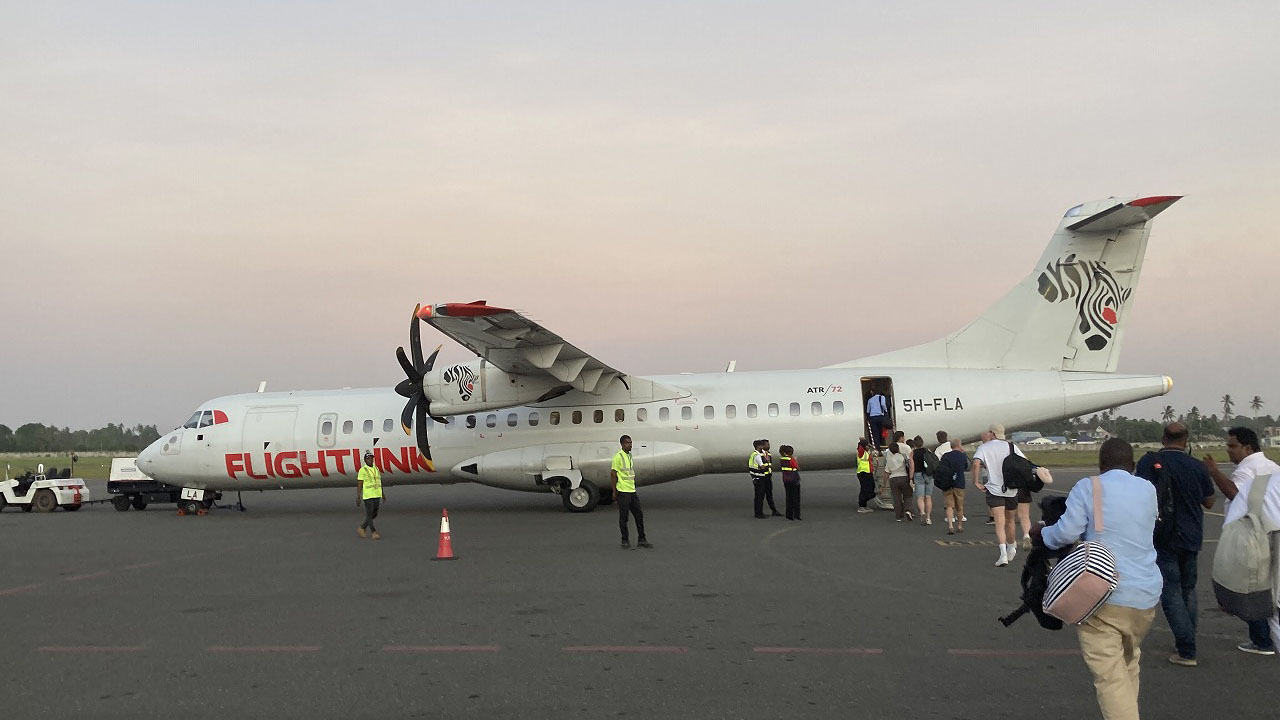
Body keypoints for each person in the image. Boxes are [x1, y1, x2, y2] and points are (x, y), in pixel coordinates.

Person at [1033, 438, 1161, 720]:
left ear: (1101, 464)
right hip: (1145, 593)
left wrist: (1041, 533)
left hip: (1102, 591)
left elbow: (1067, 533)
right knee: (1128, 663)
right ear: (1133, 465)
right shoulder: (1147, 489)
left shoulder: (1089, 487)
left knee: (1110, 678)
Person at [1134, 422, 1216, 667]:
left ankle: (1187, 648)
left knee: (1170, 590)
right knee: (1188, 589)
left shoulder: (1149, 462)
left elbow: (1140, 496)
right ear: (1185, 440)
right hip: (1192, 534)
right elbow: (1209, 501)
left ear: (1163, 439)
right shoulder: (1197, 466)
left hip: (1163, 534)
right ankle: (1188, 638)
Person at [1202, 426, 1280, 655]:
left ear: (1247, 448)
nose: (1228, 450)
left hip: (1257, 540)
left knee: (1255, 591)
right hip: (1270, 535)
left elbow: (1235, 495)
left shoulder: (1248, 470)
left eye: (1232, 446)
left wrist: (1214, 472)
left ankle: (1262, 640)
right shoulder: (1272, 467)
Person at [973, 424, 1022, 566]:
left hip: (994, 489)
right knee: (1010, 520)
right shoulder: (1011, 446)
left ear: (992, 433)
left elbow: (976, 463)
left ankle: (1003, 553)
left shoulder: (984, 447)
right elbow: (1023, 462)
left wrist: (976, 481)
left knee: (999, 522)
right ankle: (1011, 546)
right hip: (1011, 488)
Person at [611, 435, 651, 549]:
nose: (630, 445)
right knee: (624, 518)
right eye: (627, 443)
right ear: (622, 444)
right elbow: (613, 475)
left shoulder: (629, 456)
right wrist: (614, 492)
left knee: (639, 515)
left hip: (632, 490)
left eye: (631, 443)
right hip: (623, 491)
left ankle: (642, 539)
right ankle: (625, 540)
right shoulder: (618, 457)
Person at [939, 439, 970, 534]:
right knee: (959, 506)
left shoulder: (946, 456)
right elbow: (967, 467)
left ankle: (950, 525)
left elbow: (941, 468)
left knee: (949, 505)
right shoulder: (962, 456)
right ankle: (960, 525)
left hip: (948, 483)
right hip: (959, 482)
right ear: (959, 445)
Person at [749, 439, 780, 518]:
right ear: (760, 446)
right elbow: (763, 467)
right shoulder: (757, 455)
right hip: (759, 477)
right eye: (766, 445)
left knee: (769, 494)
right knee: (759, 496)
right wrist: (766, 467)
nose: (768, 446)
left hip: (767, 476)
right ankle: (758, 513)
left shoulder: (767, 453)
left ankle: (773, 510)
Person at [356, 450, 383, 540]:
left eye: (372, 458)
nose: (371, 460)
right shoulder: (362, 470)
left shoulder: (376, 469)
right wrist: (358, 496)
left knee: (374, 514)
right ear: (365, 460)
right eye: (369, 458)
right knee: (370, 514)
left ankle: (362, 527)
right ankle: (374, 532)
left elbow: (378, 481)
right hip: (368, 495)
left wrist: (382, 493)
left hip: (376, 494)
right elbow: (360, 483)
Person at [885, 440, 913, 522]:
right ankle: (908, 510)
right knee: (908, 495)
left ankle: (898, 516)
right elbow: (909, 465)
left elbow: (887, 472)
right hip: (904, 477)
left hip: (893, 478)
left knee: (896, 497)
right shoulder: (903, 456)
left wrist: (884, 482)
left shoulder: (889, 459)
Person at [911, 435, 936, 525]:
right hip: (929, 475)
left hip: (918, 475)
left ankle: (922, 512)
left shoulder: (913, 453)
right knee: (928, 497)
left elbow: (912, 467)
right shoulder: (928, 451)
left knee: (920, 497)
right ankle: (928, 518)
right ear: (922, 443)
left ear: (914, 444)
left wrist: (910, 478)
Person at [779, 445, 801, 520]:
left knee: (788, 497)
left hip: (786, 479)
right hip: (794, 479)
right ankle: (796, 515)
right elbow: (797, 467)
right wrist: (796, 461)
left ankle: (789, 514)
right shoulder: (791, 459)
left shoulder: (782, 459)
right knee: (795, 497)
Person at [855, 439, 877, 513]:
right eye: (867, 445)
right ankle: (861, 505)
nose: (868, 447)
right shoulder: (861, 452)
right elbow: (860, 448)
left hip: (868, 472)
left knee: (871, 487)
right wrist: (862, 442)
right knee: (864, 489)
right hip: (863, 472)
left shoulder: (866, 452)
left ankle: (864, 504)